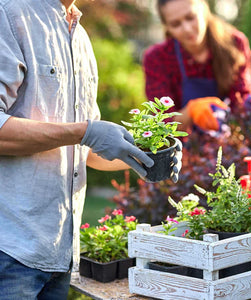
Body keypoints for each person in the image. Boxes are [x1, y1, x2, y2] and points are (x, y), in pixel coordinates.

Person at [0, 0, 182, 298]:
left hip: (58, 256)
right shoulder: (9, 14)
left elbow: (86, 151)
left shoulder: (80, 38)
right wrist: (84, 131)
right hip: (9, 253)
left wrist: (144, 158)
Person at [143, 0, 251, 133]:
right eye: (175, 24)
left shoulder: (234, 44)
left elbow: (241, 97)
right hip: (184, 147)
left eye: (191, 18)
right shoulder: (157, 58)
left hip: (228, 138)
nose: (187, 29)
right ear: (167, 27)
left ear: (204, 10)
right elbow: (162, 124)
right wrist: (191, 111)